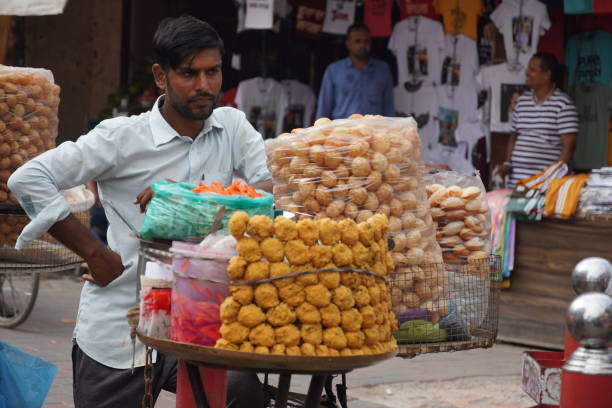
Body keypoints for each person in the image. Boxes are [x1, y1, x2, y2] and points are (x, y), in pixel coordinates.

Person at [8, 16, 270, 407]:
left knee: (243, 393)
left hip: (201, 322)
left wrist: (185, 197)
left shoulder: (231, 127)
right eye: (188, 73)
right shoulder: (121, 137)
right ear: (161, 77)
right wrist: (95, 253)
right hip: (120, 327)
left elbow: (268, 190)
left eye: (212, 72)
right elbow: (29, 178)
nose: (204, 86)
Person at [501, 52, 579, 187]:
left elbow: (569, 148)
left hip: (544, 185)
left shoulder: (563, 104)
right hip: (516, 182)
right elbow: (513, 137)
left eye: (532, 69)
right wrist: (507, 163)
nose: (526, 72)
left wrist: (550, 179)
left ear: (547, 74)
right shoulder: (521, 102)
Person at [316, 24, 394, 120]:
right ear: (348, 44)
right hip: (342, 131)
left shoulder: (383, 70)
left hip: (374, 131)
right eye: (357, 41)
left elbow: (389, 108)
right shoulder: (334, 70)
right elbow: (323, 108)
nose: (362, 45)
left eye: (366, 41)